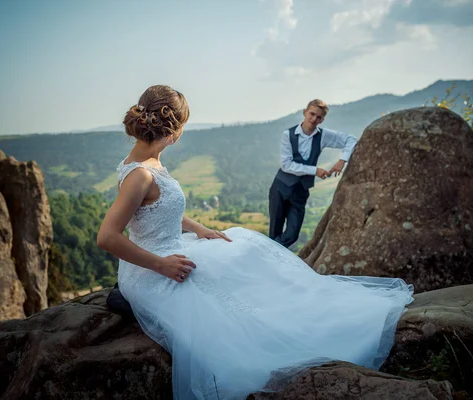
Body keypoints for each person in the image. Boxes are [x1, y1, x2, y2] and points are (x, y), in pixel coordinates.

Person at [97, 85, 413, 400]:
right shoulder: (140, 174)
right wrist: (162, 265)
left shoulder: (150, 163)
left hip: (173, 250)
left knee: (240, 244)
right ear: (175, 130)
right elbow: (107, 237)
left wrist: (201, 228)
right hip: (153, 269)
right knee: (224, 302)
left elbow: (159, 212)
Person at [269, 99, 357, 248]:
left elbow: (351, 140)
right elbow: (286, 165)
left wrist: (342, 160)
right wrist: (315, 170)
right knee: (274, 232)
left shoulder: (323, 135)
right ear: (304, 113)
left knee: (292, 234)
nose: (314, 119)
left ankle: (267, 251)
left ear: (322, 120)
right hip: (280, 188)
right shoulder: (288, 135)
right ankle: (270, 260)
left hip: (301, 191)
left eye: (319, 117)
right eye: (312, 114)